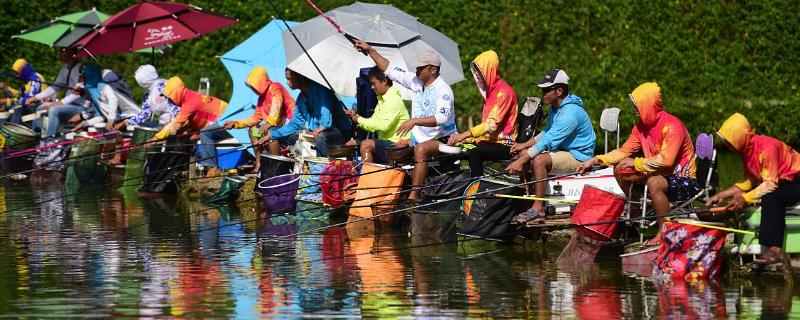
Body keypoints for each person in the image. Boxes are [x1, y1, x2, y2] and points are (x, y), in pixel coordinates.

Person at [578, 82, 698, 244]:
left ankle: (664, 232)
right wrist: (596, 159)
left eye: (637, 104)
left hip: (684, 180)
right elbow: (623, 151)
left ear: (648, 104)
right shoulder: (640, 127)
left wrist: (636, 162)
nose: (634, 108)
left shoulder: (672, 125)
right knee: (619, 169)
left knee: (654, 182)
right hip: (656, 175)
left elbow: (667, 162)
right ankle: (638, 209)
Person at [354, 40, 457, 200]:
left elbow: (441, 118)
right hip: (419, 140)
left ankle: (413, 196)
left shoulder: (444, 90)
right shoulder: (416, 81)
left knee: (421, 149)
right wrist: (370, 50)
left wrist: (414, 121)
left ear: (433, 70)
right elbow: (389, 69)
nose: (416, 69)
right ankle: (376, 193)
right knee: (395, 149)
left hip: (444, 139)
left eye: (421, 67)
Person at [707, 113, 800, 264]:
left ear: (739, 137)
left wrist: (745, 198)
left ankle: (774, 249)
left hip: (796, 178)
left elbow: (770, 184)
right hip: (780, 180)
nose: (727, 146)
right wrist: (722, 195)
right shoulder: (747, 151)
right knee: (751, 197)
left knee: (772, 197)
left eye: (729, 142)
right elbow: (751, 180)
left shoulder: (767, 147)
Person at [506, 69, 595, 220]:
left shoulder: (570, 114)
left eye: (546, 90)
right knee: (523, 153)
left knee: (539, 160)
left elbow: (548, 141)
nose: (543, 94)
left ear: (559, 91)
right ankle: (528, 197)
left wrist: (521, 161)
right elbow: (547, 132)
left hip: (579, 156)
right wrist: (523, 146)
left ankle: (538, 207)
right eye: (542, 90)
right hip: (564, 150)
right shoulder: (556, 108)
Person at [447, 50, 518, 177]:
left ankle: (475, 190)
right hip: (490, 141)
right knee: (458, 148)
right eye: (476, 71)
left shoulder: (504, 92)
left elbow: (491, 125)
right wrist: (467, 138)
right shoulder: (489, 93)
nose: (477, 74)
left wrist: (464, 134)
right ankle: (453, 184)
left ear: (490, 70)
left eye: (481, 71)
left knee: (475, 153)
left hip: (505, 144)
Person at [147, 76, 229, 176]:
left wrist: (156, 137)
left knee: (205, 133)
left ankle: (213, 168)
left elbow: (175, 124)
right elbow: (196, 119)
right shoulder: (191, 97)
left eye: (169, 97)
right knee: (185, 134)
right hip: (218, 123)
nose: (169, 100)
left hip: (227, 123)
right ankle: (186, 168)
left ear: (176, 94)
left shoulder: (190, 103)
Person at [262, 69, 351, 158]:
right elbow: (296, 124)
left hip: (339, 130)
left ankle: (320, 168)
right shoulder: (301, 98)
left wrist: (320, 128)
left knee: (321, 137)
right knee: (285, 137)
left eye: (289, 79)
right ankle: (283, 166)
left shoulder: (321, 90)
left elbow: (326, 121)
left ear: (300, 77)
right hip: (317, 131)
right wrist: (272, 135)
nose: (287, 82)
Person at [223, 66, 295, 170]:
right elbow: (255, 118)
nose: (253, 89)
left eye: (254, 86)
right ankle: (259, 164)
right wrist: (235, 123)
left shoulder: (275, 87)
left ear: (262, 81)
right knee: (253, 130)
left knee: (268, 130)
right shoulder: (261, 98)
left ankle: (277, 166)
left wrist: (269, 123)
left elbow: (277, 104)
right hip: (276, 126)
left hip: (290, 123)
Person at [344, 66, 410, 163]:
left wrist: (359, 119)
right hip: (387, 143)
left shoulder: (393, 100)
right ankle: (353, 174)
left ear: (384, 81)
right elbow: (372, 127)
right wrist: (355, 118)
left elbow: (384, 126)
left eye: (373, 83)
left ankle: (367, 177)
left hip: (398, 145)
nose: (371, 87)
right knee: (350, 145)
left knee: (366, 144)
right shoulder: (381, 100)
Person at [29, 48, 88, 138]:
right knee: (39, 107)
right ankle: (35, 137)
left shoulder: (82, 68)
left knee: (54, 110)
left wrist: (59, 103)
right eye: (60, 50)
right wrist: (36, 97)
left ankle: (49, 141)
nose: (60, 52)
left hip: (81, 106)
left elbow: (78, 93)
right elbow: (56, 86)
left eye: (63, 50)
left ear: (72, 52)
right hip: (69, 105)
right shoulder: (64, 67)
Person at [114, 64, 180, 131]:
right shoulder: (147, 94)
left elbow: (176, 108)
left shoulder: (164, 86)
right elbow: (144, 115)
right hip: (163, 126)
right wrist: (126, 122)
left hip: (177, 125)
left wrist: (174, 123)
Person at [2, 58, 46, 128]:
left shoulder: (35, 79)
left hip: (39, 106)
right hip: (32, 106)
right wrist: (7, 88)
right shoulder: (29, 79)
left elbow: (28, 101)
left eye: (18, 72)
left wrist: (6, 101)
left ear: (24, 70)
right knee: (5, 108)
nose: (17, 76)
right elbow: (21, 95)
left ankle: (14, 132)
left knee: (17, 108)